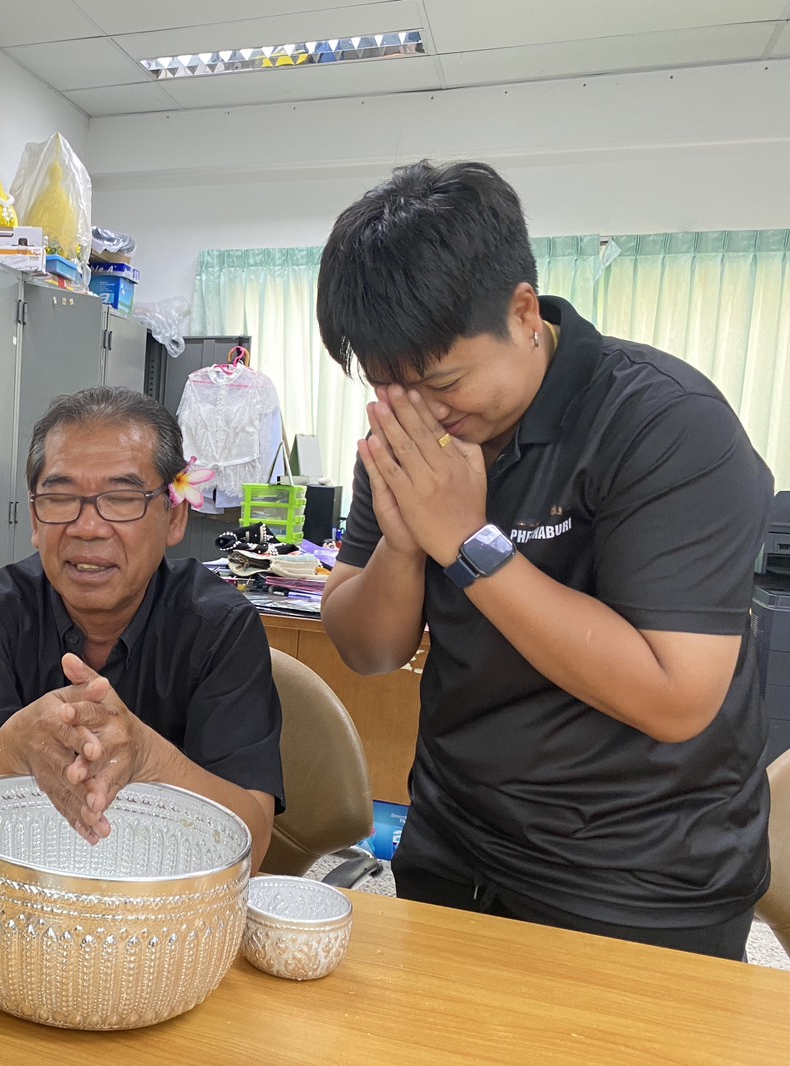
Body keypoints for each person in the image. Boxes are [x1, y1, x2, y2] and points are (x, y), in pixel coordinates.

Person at [316, 159, 773, 958]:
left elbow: (675, 698)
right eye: (391, 387)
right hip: (455, 840)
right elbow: (370, 650)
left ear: (523, 312)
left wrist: (468, 542)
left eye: (442, 379)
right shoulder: (414, 433)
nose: (420, 411)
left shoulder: (666, 424)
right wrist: (403, 541)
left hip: (639, 876)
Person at [0, 386, 283, 867]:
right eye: (60, 498)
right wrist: (13, 746)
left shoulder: (220, 628)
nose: (88, 527)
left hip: (167, 890)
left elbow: (253, 841)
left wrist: (148, 757)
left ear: (175, 517)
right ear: (34, 518)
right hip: (28, 882)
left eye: (121, 499)